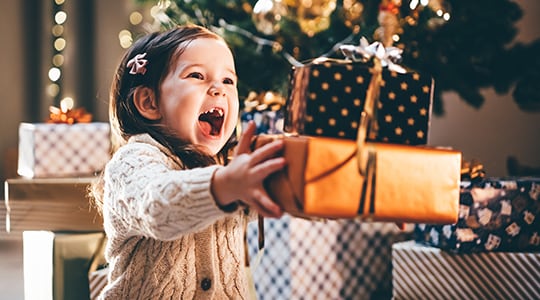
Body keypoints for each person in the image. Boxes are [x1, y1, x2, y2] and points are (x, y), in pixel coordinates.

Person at [91, 24, 286, 299]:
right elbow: (156, 207)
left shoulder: (228, 166)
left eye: (228, 81)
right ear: (149, 102)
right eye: (197, 75)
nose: (218, 89)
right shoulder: (132, 162)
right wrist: (226, 185)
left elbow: (275, 196)